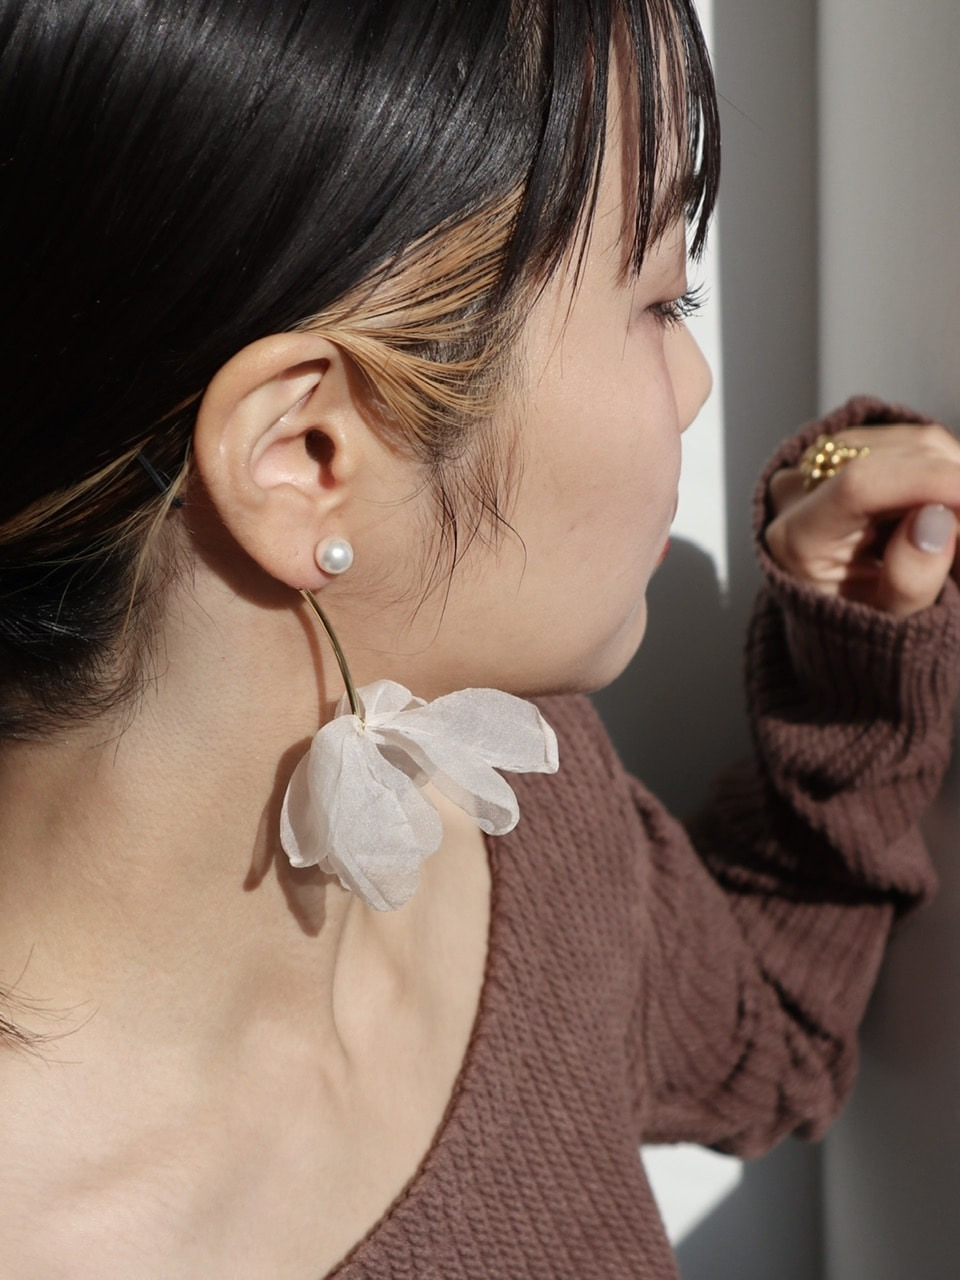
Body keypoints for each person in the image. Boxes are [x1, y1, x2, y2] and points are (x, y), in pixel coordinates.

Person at [1, 1, 959, 1276]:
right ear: (309, 455)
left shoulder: (507, 799)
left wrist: (852, 650)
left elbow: (767, 1031)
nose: (696, 383)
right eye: (661, 299)